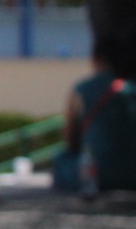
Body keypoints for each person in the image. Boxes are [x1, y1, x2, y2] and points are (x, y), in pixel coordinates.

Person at [56, 38, 136, 194]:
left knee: (61, 159)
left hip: (99, 176)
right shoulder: (131, 89)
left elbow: (71, 138)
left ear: (96, 58)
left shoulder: (82, 89)